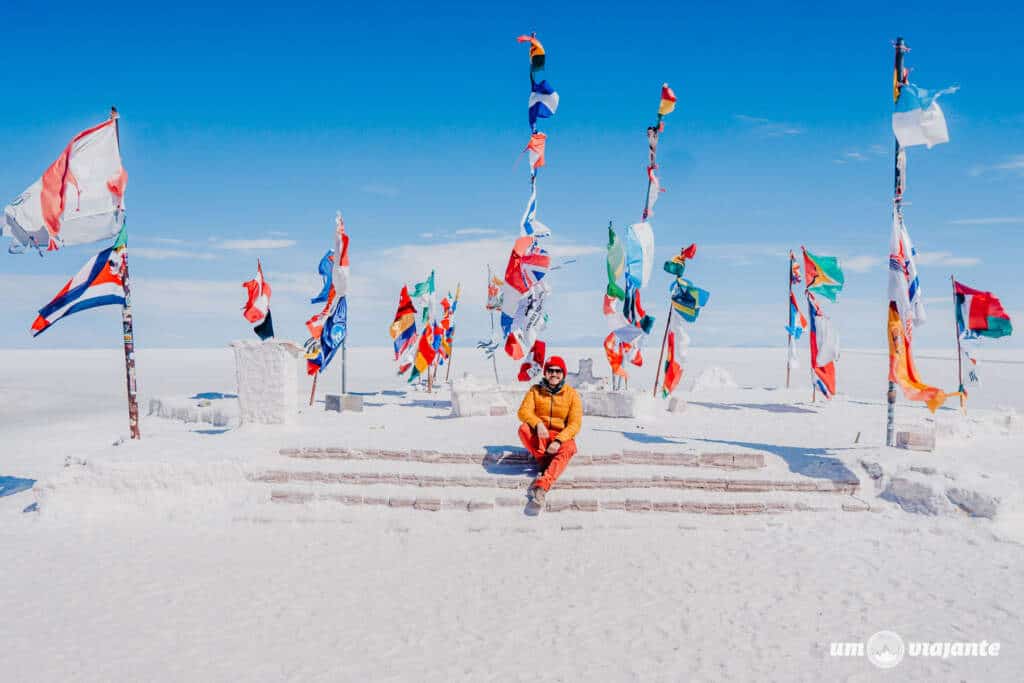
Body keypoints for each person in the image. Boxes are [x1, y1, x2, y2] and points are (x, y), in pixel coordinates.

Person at [517, 356, 583, 506]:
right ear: (545, 373)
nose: (554, 374)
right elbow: (523, 412)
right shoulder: (535, 390)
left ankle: (542, 486)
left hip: (560, 436)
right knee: (523, 429)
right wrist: (538, 424)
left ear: (563, 374)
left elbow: (575, 423)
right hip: (541, 434)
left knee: (570, 447)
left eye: (558, 371)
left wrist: (559, 440)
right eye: (550, 370)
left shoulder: (571, 394)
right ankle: (544, 460)